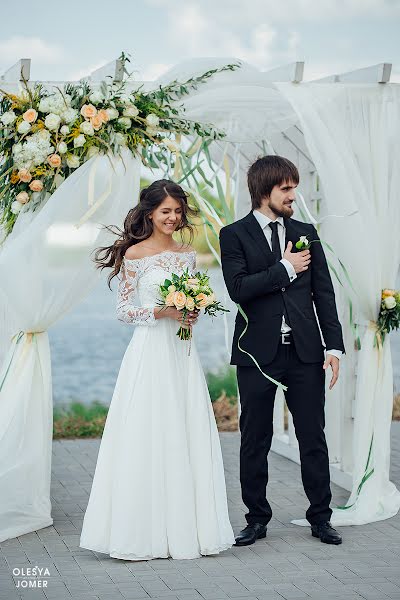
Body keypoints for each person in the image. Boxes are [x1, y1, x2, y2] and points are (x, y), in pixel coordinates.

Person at [79, 179, 234, 560]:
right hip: (149, 353)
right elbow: (124, 310)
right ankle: (140, 532)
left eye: (178, 211)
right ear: (150, 212)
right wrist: (162, 311)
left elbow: (189, 304)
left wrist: (190, 314)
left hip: (182, 352)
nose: (173, 217)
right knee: (148, 431)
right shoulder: (134, 255)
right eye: (166, 211)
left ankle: (188, 529)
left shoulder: (186, 255)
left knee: (184, 428)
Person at [219, 155, 345, 546]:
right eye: (286, 189)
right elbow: (238, 288)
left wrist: (335, 346)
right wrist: (287, 267)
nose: (294, 195)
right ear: (264, 191)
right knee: (255, 438)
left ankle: (320, 518)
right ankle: (256, 519)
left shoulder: (306, 230)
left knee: (313, 437)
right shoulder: (234, 235)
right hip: (257, 353)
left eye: (295, 187)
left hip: (306, 352)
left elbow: (323, 292)